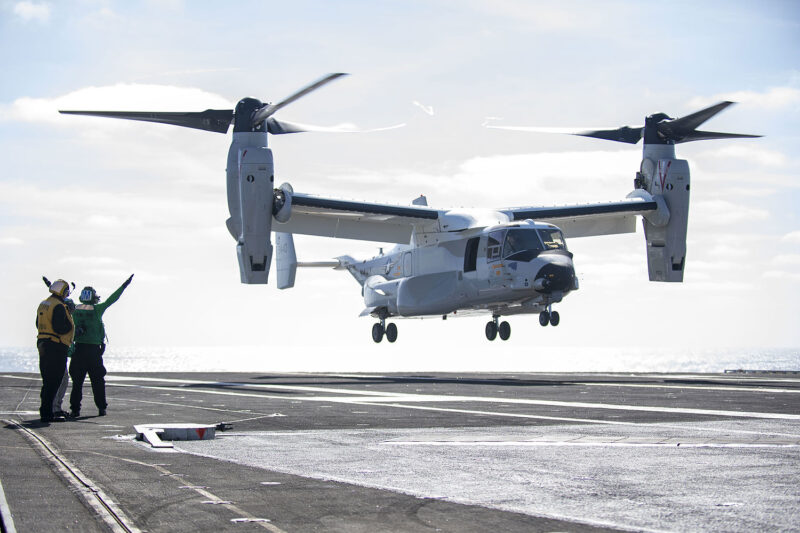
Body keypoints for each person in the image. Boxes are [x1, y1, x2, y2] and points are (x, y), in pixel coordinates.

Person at [69, 274, 133, 417]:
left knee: (77, 383)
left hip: (78, 350)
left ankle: (75, 409)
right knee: (98, 382)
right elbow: (113, 298)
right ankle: (101, 408)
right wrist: (124, 285)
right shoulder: (97, 309)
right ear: (93, 297)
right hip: (93, 352)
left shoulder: (74, 309)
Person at [36, 279, 75, 423]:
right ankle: (48, 414)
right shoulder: (58, 306)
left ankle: (45, 411)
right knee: (55, 381)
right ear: (63, 291)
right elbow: (60, 327)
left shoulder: (44, 303)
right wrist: (69, 324)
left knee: (47, 380)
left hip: (43, 342)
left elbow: (37, 323)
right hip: (56, 346)